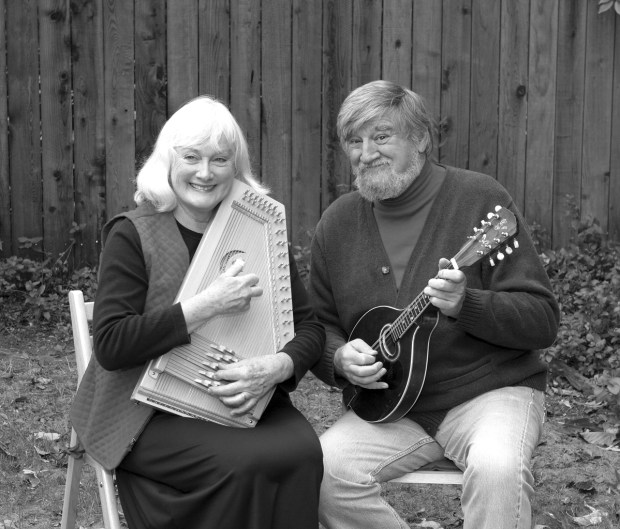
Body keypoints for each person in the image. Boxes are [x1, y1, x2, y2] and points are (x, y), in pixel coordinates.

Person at [309, 80, 560, 529]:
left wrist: (468, 304)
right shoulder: (337, 224)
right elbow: (319, 326)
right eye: (354, 140)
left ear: (421, 139)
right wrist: (339, 358)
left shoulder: (480, 200)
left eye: (381, 136)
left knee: (497, 470)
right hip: (392, 408)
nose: (366, 153)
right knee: (323, 470)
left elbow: (542, 320)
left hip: (490, 392)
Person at [70, 95, 325, 529]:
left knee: (302, 451)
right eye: (191, 157)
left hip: (239, 396)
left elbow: (311, 328)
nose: (204, 173)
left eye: (219, 160)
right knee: (243, 463)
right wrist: (204, 306)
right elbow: (112, 344)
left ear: (236, 168)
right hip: (144, 409)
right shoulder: (132, 234)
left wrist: (278, 366)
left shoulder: (260, 233)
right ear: (169, 162)